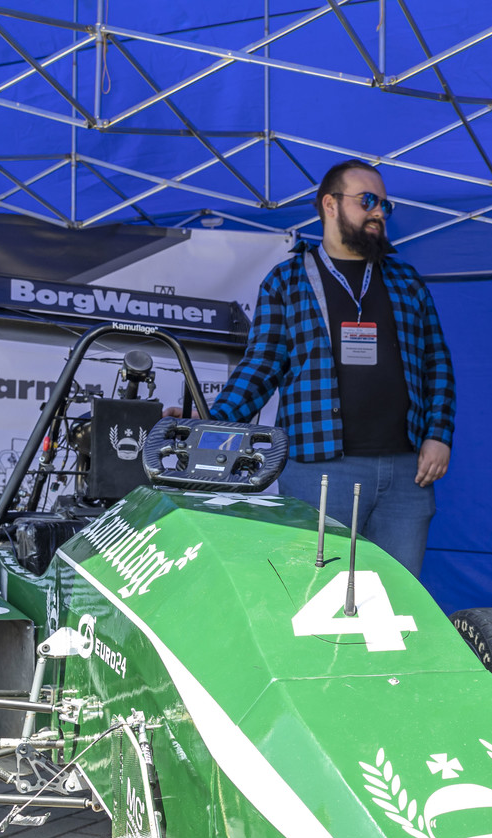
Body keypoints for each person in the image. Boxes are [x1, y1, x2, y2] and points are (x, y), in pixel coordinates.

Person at [196, 159, 454, 577]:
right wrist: (208, 423)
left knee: (399, 596)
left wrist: (439, 435)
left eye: (384, 205)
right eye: (367, 201)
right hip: (319, 467)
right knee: (317, 590)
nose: (379, 212)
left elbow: (436, 363)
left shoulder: (406, 280)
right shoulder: (287, 280)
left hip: (405, 472)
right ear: (330, 205)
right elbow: (261, 366)